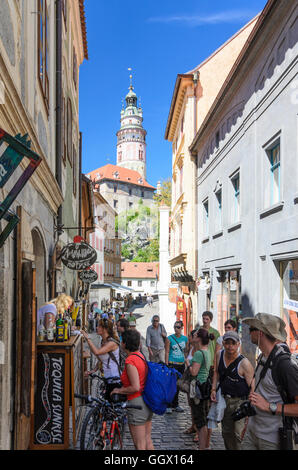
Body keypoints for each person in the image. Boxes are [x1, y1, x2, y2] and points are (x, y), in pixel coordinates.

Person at [240, 313, 298, 450]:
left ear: (260, 333)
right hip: (253, 433)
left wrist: (269, 406)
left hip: (273, 439)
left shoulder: (285, 365)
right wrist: (248, 425)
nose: (248, 333)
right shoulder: (262, 358)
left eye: (251, 329)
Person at [110, 329, 154, 450]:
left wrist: (119, 391)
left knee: (139, 445)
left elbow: (135, 387)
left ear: (124, 343)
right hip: (146, 401)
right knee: (147, 441)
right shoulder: (140, 356)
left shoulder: (130, 361)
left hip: (137, 403)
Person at [211, 331, 254, 450]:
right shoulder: (219, 355)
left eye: (233, 343)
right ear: (223, 343)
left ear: (238, 344)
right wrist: (213, 389)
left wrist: (249, 406)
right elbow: (216, 372)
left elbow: (253, 386)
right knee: (226, 432)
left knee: (238, 434)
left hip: (240, 402)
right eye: (227, 343)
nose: (230, 346)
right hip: (225, 400)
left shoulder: (244, 363)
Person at [186, 328, 214, 450]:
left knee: (200, 422)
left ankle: (202, 447)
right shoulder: (207, 351)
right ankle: (205, 446)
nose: (193, 336)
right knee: (205, 419)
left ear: (199, 338)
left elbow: (194, 372)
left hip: (198, 389)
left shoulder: (198, 353)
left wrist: (188, 363)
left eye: (195, 335)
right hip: (205, 388)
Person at [81, 318, 121, 399]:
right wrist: (93, 371)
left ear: (105, 329)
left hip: (114, 379)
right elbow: (101, 359)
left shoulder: (111, 343)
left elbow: (97, 352)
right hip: (107, 378)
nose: (96, 327)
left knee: (110, 405)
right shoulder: (104, 341)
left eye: (99, 326)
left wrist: (87, 338)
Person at [165, 320, 188, 413]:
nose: (176, 329)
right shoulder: (169, 338)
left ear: (182, 328)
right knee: (171, 385)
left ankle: (176, 404)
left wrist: (187, 364)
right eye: (175, 327)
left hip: (181, 365)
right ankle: (168, 405)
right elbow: (166, 351)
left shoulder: (185, 339)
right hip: (172, 363)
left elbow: (186, 352)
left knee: (178, 386)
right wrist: (166, 364)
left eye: (178, 327)